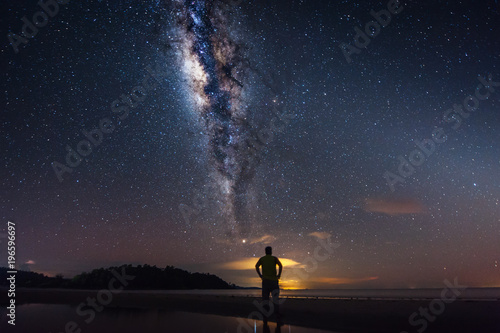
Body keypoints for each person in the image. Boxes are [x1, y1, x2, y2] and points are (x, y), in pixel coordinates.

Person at [255, 246, 283, 316]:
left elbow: (256, 266)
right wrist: (279, 275)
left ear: (265, 251)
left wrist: (260, 275)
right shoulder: (274, 258)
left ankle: (265, 313)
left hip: (265, 281)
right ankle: (277, 313)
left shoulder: (262, 259)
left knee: (265, 298)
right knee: (275, 298)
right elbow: (280, 266)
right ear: (271, 251)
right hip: (273, 281)